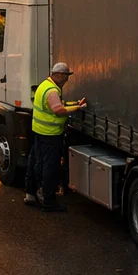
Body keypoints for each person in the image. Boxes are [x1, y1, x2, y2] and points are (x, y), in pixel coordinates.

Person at [23, 62, 86, 212]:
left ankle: (30, 193)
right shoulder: (52, 91)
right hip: (50, 135)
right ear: (58, 75)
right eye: (65, 76)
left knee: (35, 162)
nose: (67, 80)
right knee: (50, 167)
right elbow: (59, 110)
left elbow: (59, 104)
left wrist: (75, 103)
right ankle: (49, 200)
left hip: (39, 132)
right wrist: (77, 108)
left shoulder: (44, 85)